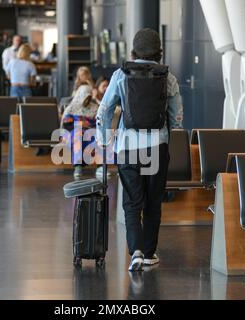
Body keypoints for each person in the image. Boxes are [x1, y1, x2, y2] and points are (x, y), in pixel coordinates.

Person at [96, 29, 184, 272]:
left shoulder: (120, 75)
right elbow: (177, 115)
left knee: (132, 202)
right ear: (159, 52)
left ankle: (134, 251)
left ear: (133, 52)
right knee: (154, 202)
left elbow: (104, 111)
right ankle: (149, 253)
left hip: (128, 147)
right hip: (158, 146)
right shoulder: (168, 77)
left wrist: (104, 140)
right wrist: (169, 133)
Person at [61, 85, 99, 178]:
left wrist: (88, 126)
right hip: (72, 132)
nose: (87, 100)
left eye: (89, 97)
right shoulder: (71, 108)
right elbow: (66, 125)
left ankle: (101, 166)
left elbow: (98, 123)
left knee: (100, 136)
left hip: (90, 131)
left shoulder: (94, 108)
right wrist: (80, 125)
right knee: (78, 135)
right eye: (85, 97)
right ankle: (78, 166)